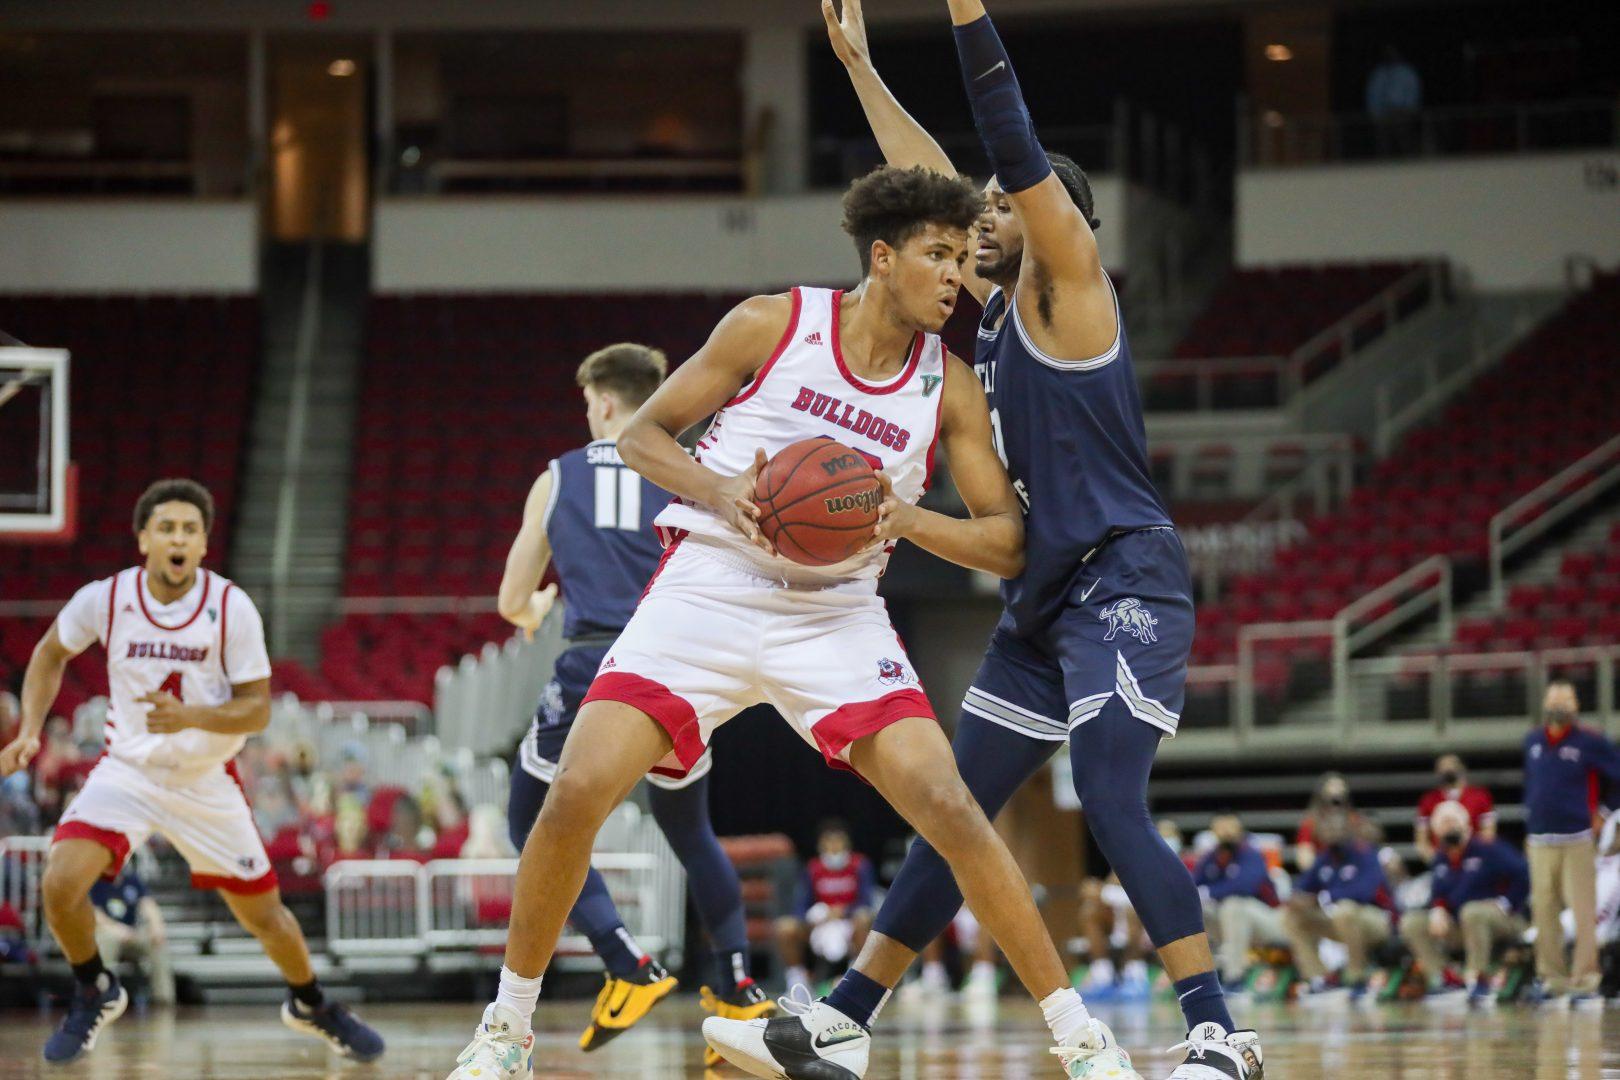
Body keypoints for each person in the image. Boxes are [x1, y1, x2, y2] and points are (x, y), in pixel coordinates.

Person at [448, 162, 1133, 1080]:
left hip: (839, 614)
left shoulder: (949, 385)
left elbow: (1008, 540)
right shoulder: (773, 322)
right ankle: (506, 1033)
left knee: (955, 812)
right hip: (712, 585)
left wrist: (906, 519)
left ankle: (1081, 1039)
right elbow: (645, 437)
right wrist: (723, 489)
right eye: (936, 255)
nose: (954, 275)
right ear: (882, 259)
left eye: (959, 258)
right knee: (575, 793)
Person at [715, 2, 1265, 1076]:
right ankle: (845, 1016)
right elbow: (933, 181)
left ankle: (1221, 1031)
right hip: (1044, 596)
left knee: (1108, 797)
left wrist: (966, 15)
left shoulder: (1074, 293)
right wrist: (863, 67)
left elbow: (1007, 140)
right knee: (954, 809)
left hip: (1123, 577)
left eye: (1001, 210)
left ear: (1056, 219)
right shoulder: (998, 311)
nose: (978, 222)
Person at [0, 479, 384, 1064]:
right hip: (128, 772)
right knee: (58, 882)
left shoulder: (230, 607)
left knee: (267, 916)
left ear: (204, 545)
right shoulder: (106, 598)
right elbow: (51, 652)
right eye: (167, 528)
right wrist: (30, 728)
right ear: (144, 540)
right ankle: (94, 988)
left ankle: (311, 1003)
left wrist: (191, 715)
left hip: (205, 781)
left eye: (190, 529)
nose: (178, 538)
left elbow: (257, 707)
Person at [495, 342, 771, 1059]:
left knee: (533, 821)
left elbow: (511, 599)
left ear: (607, 403)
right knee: (689, 829)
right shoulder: (696, 472)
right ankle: (738, 990)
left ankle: (625, 962)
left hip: (597, 666)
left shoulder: (558, 476)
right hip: (678, 662)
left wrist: (532, 611)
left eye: (590, 404)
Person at [1523, 680, 1620, 1007]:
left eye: (1566, 700)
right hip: (1539, 840)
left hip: (1577, 839)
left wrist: (1605, 812)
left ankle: (1586, 981)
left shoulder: (1590, 742)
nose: (1559, 706)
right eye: (1554, 699)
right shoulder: (1533, 740)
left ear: (1576, 705)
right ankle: (1552, 980)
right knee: (1544, 911)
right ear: (1545, 703)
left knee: (1583, 912)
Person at [1398, 799, 1527, 1008]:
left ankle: (1479, 979)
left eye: (1452, 822)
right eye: (1443, 824)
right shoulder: (1441, 857)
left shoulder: (1488, 847)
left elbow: (1523, 873)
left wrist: (1506, 903)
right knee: (1412, 922)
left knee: (1472, 911)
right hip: (1462, 926)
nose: (1448, 828)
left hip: (1503, 921)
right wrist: (1438, 909)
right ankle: (1444, 977)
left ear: (1465, 823)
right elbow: (1438, 892)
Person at [1282, 810, 1394, 1005]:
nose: (1332, 832)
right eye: (1327, 828)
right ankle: (1319, 978)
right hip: (1342, 921)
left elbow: (1365, 892)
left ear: (1348, 829)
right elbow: (1301, 887)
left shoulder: (1364, 852)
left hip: (1377, 921)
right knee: (1292, 916)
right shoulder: (1324, 858)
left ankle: (1356, 978)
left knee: (1345, 909)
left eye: (1337, 827)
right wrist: (1297, 900)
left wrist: (1322, 897)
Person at [778, 820, 877, 991]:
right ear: (820, 845)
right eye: (829, 841)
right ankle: (798, 980)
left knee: (863, 918)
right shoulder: (813, 868)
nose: (834, 846)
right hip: (821, 925)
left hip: (850, 924)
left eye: (838, 841)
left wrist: (844, 911)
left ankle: (857, 976)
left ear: (847, 843)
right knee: (785, 927)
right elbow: (801, 905)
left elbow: (867, 901)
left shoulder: (860, 864)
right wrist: (816, 916)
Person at [1194, 814, 1285, 992]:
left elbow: (1245, 887)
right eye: (1222, 829)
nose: (1227, 833)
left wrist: (1209, 891)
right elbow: (1193, 885)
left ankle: (1234, 978)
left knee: (1233, 904)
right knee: (1197, 908)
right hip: (1230, 923)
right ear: (1214, 832)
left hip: (1268, 918)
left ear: (1240, 831)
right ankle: (1201, 973)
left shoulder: (1252, 854)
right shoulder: (1211, 857)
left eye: (1231, 828)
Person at [91, 864, 175, 1006]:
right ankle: (104, 997)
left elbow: (148, 904)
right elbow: (93, 913)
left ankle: (164, 1000)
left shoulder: (131, 879)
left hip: (131, 934)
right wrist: (116, 928)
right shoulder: (94, 881)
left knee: (157, 944)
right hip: (107, 932)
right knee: (105, 941)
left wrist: (157, 926)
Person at [1414, 754, 1496, 861]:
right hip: (1442, 858)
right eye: (1442, 767)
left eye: (1451, 765)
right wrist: (1436, 861)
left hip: (1473, 859)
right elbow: (1421, 840)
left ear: (1462, 768)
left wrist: (1477, 860)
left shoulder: (1480, 796)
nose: (1447, 769)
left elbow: (1488, 834)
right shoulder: (1428, 800)